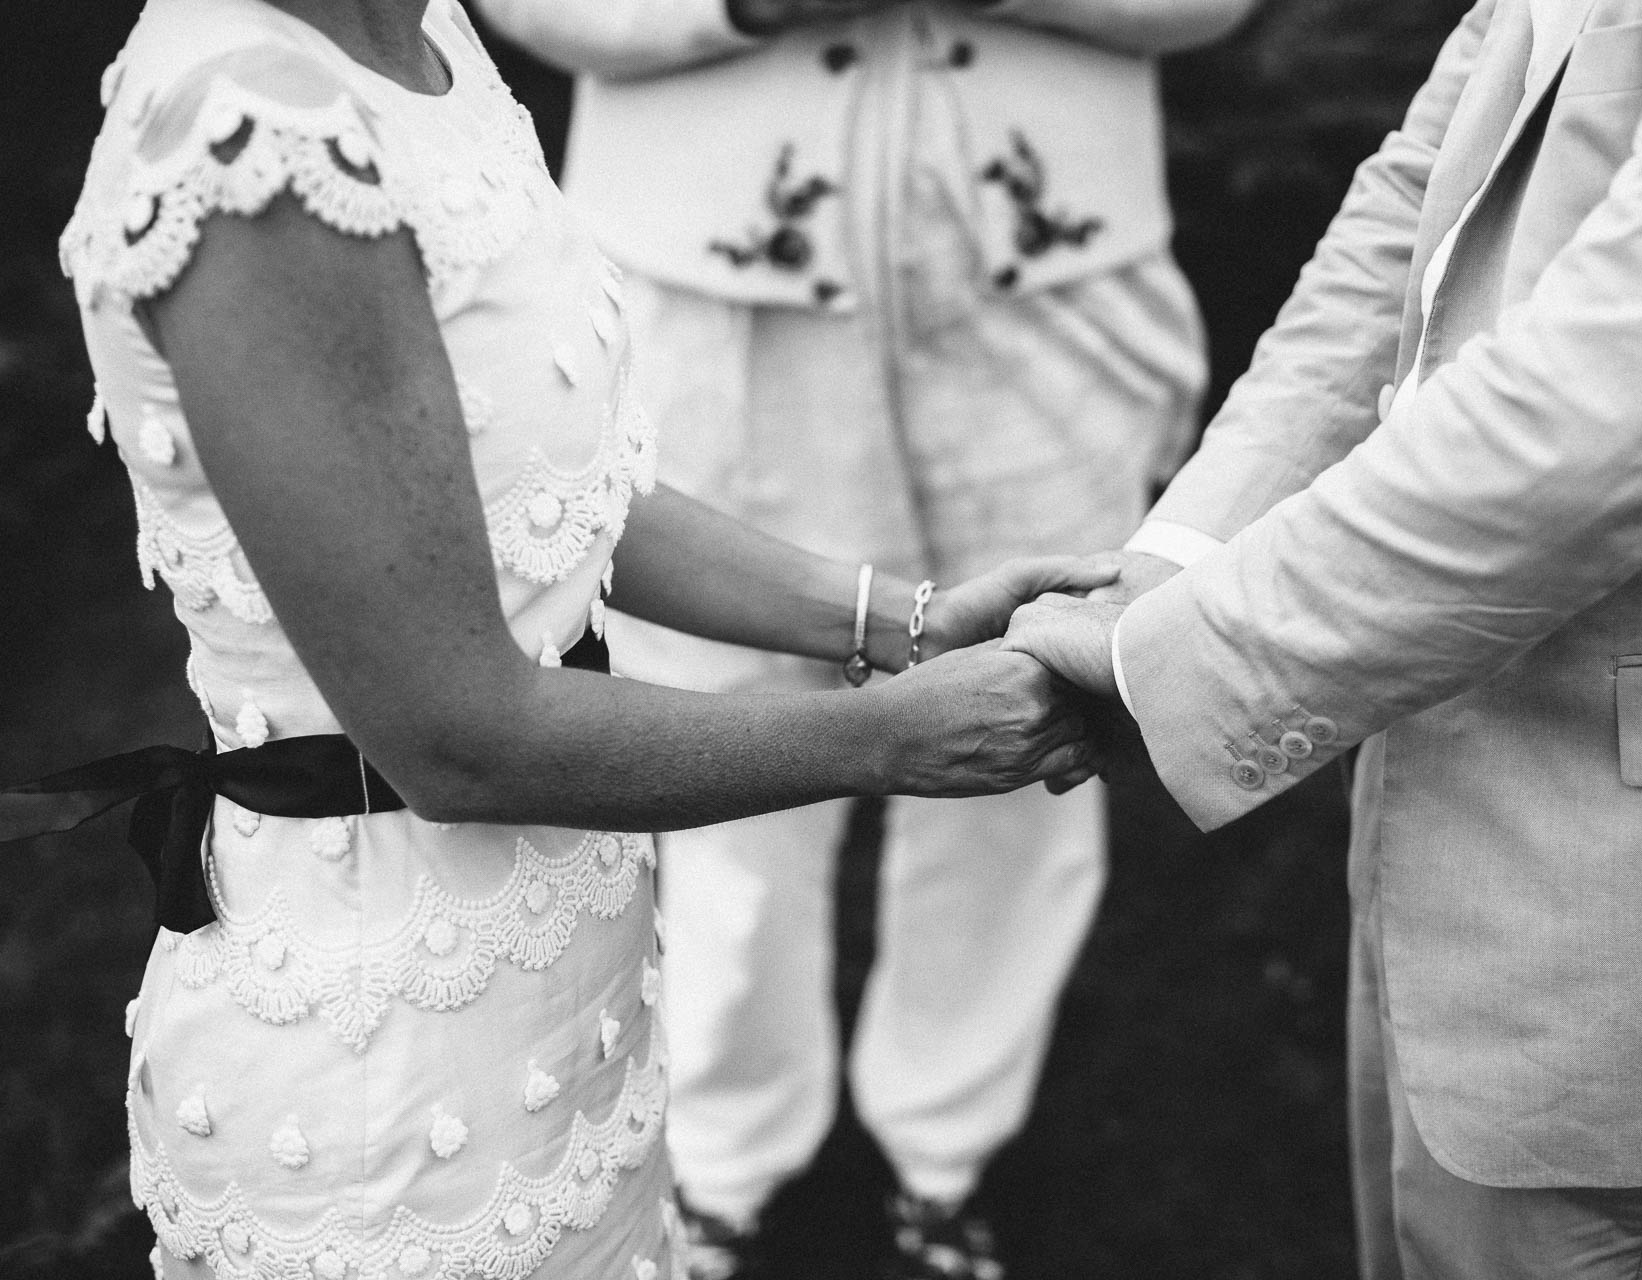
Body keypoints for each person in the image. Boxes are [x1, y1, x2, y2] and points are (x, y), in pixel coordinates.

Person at [27, 1, 1113, 1275]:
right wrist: (889, 739)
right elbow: (459, 738)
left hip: (565, 988)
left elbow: (550, 492)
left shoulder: (423, 36)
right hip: (389, 1069)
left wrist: (904, 621)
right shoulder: (253, 144)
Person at [1006, 0, 1642, 1276]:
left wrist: (1182, 668)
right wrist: (1163, 580)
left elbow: (1609, 411)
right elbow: (1409, 218)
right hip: (1447, 777)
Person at [469, 1, 1250, 1274]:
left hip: (1046, 298)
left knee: (1034, 727)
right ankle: (718, 1148)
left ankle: (951, 1146)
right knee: (710, 742)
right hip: (701, 300)